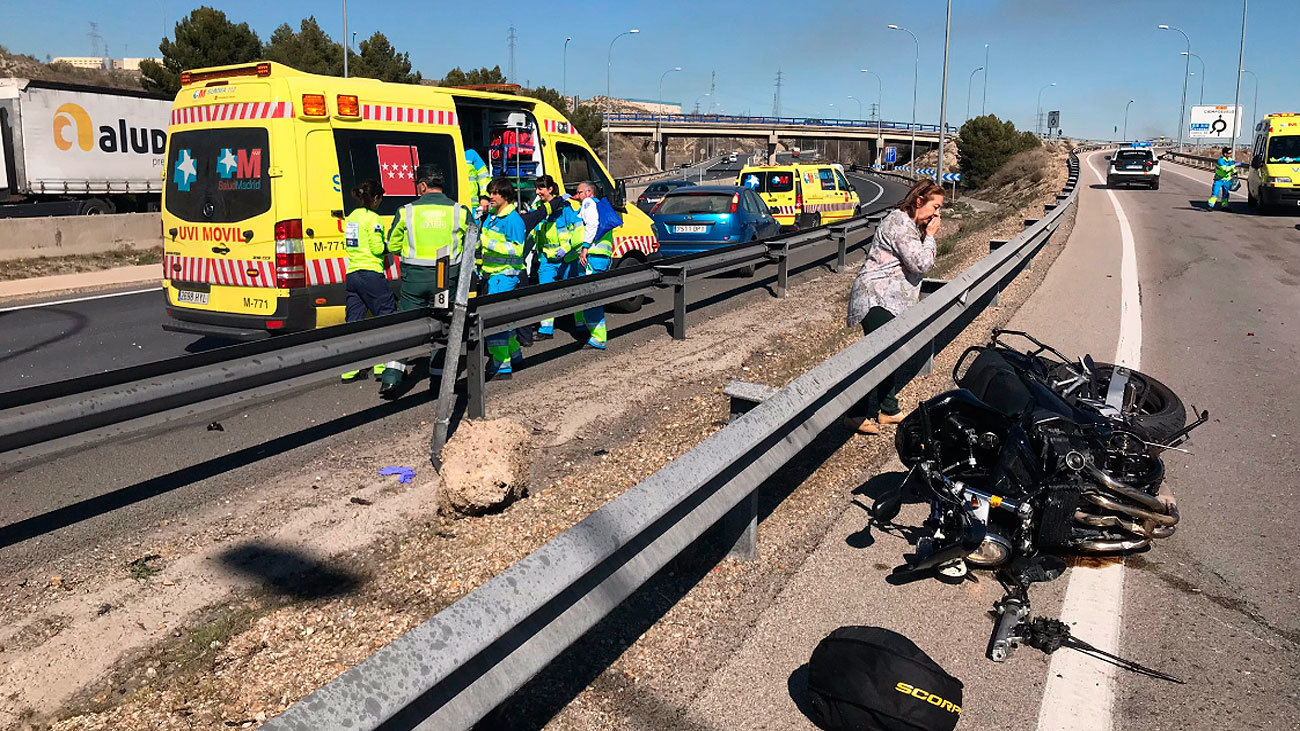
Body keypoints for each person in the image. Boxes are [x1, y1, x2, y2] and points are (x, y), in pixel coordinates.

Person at [842, 178, 943, 435]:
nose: (936, 215)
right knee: (879, 355)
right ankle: (854, 413)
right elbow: (920, 263)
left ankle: (888, 410)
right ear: (919, 201)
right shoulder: (899, 223)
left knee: (889, 352)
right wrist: (930, 238)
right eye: (935, 207)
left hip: (891, 299)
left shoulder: (910, 225)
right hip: (876, 296)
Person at [379, 164, 468, 395]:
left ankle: (391, 378)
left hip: (414, 279)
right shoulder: (460, 211)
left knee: (406, 326)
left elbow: (393, 245)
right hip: (443, 277)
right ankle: (438, 380)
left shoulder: (407, 210)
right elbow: (473, 243)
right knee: (441, 326)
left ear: (423, 185)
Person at [340, 179, 399, 382]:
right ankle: (382, 366)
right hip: (371, 273)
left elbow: (349, 245)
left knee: (354, 321)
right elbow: (376, 248)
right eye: (380, 198)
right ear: (375, 198)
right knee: (385, 316)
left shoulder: (351, 217)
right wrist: (390, 246)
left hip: (352, 273)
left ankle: (350, 370)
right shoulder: (373, 219)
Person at [480, 176, 527, 378]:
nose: (490, 196)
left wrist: (488, 244)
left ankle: (501, 364)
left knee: (495, 321)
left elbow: (517, 250)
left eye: (494, 193)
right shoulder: (493, 216)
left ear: (505, 196)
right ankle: (515, 355)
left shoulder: (513, 219)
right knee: (501, 320)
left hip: (505, 275)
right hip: (492, 275)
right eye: (490, 192)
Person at [529, 175, 585, 339]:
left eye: (540, 188)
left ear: (550, 189)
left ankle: (581, 326)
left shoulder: (565, 208)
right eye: (536, 188)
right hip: (547, 260)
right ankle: (546, 330)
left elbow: (579, 232)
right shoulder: (539, 208)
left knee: (575, 293)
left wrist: (566, 248)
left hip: (567, 259)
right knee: (546, 295)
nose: (537, 191)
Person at [574, 181, 615, 350]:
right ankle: (586, 328)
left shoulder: (589, 203)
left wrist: (584, 248)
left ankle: (598, 338)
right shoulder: (598, 205)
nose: (578, 196)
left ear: (589, 192)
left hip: (592, 257)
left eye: (580, 192)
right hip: (598, 257)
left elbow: (592, 224)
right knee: (589, 296)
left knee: (590, 297)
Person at [1208, 146, 1238, 211]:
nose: (1230, 154)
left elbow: (1234, 169)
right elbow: (1225, 169)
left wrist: (1235, 171)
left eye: (1231, 153)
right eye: (1229, 153)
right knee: (1215, 193)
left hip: (1227, 180)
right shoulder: (1220, 161)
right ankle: (1211, 205)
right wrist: (1233, 166)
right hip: (1219, 180)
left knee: (1226, 194)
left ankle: (1224, 206)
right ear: (1225, 154)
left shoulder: (1230, 160)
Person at [465, 148, 492, 219]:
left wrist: (484, 197)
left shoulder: (471, 154)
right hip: (449, 203)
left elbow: (484, 177)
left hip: (471, 206)